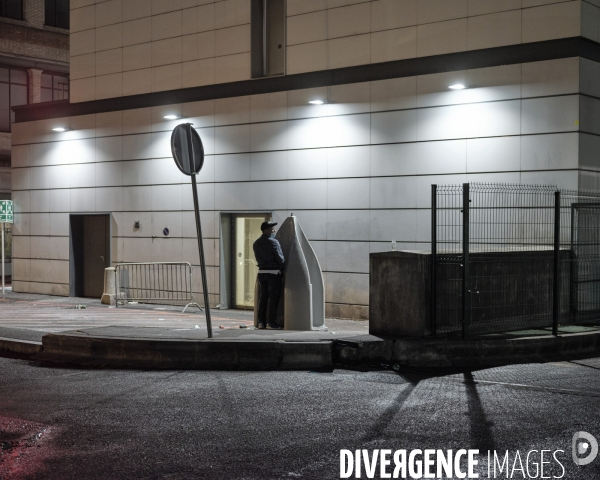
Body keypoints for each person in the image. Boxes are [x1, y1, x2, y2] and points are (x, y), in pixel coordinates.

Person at [253, 221, 285, 330]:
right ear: (266, 231)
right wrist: (283, 270)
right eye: (272, 229)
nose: (273, 231)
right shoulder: (273, 242)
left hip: (261, 273)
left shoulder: (256, 243)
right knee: (273, 299)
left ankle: (261, 322)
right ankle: (271, 323)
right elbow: (280, 259)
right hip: (273, 273)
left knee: (263, 298)